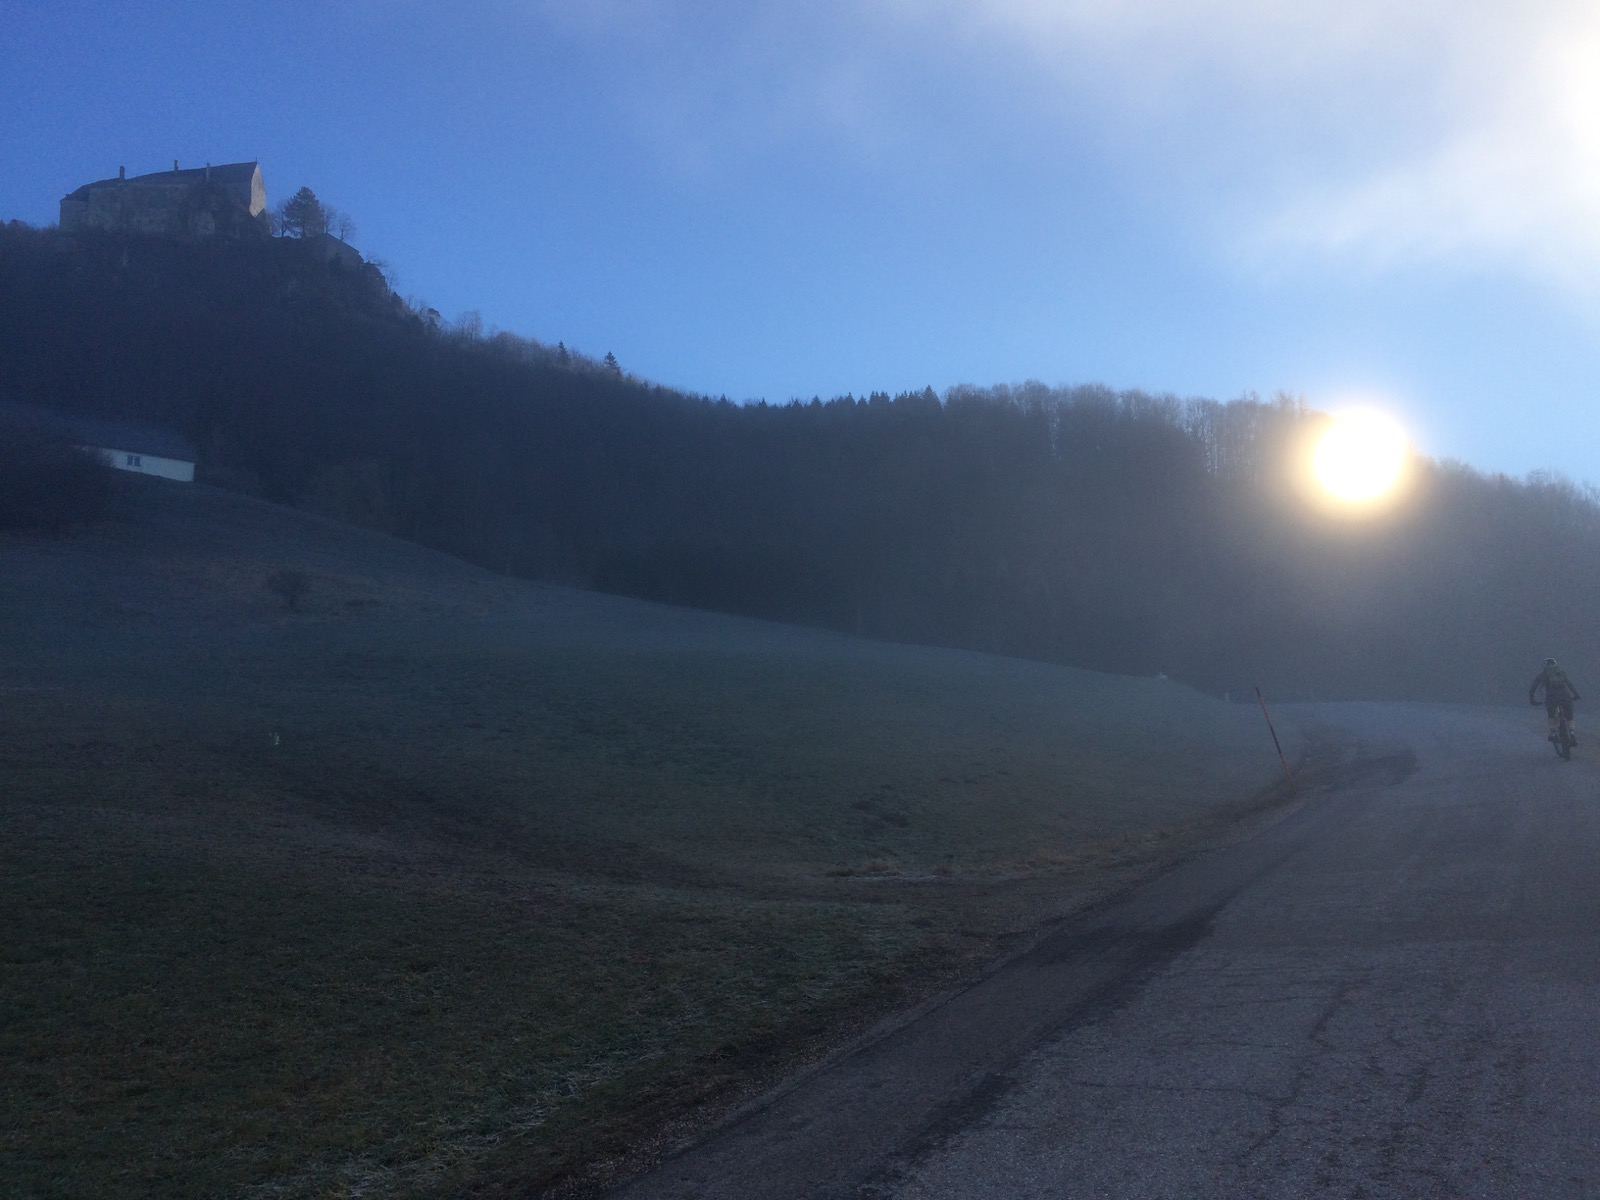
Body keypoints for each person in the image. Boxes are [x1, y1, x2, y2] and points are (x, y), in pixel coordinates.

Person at [1529, 657, 1580, 745]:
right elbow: (1569, 684)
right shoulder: (1561, 672)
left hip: (1551, 697)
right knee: (1570, 716)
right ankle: (1572, 734)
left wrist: (1532, 699)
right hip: (1565, 696)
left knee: (1551, 715)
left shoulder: (1544, 674)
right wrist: (1576, 695)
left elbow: (1534, 687)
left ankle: (1553, 734)